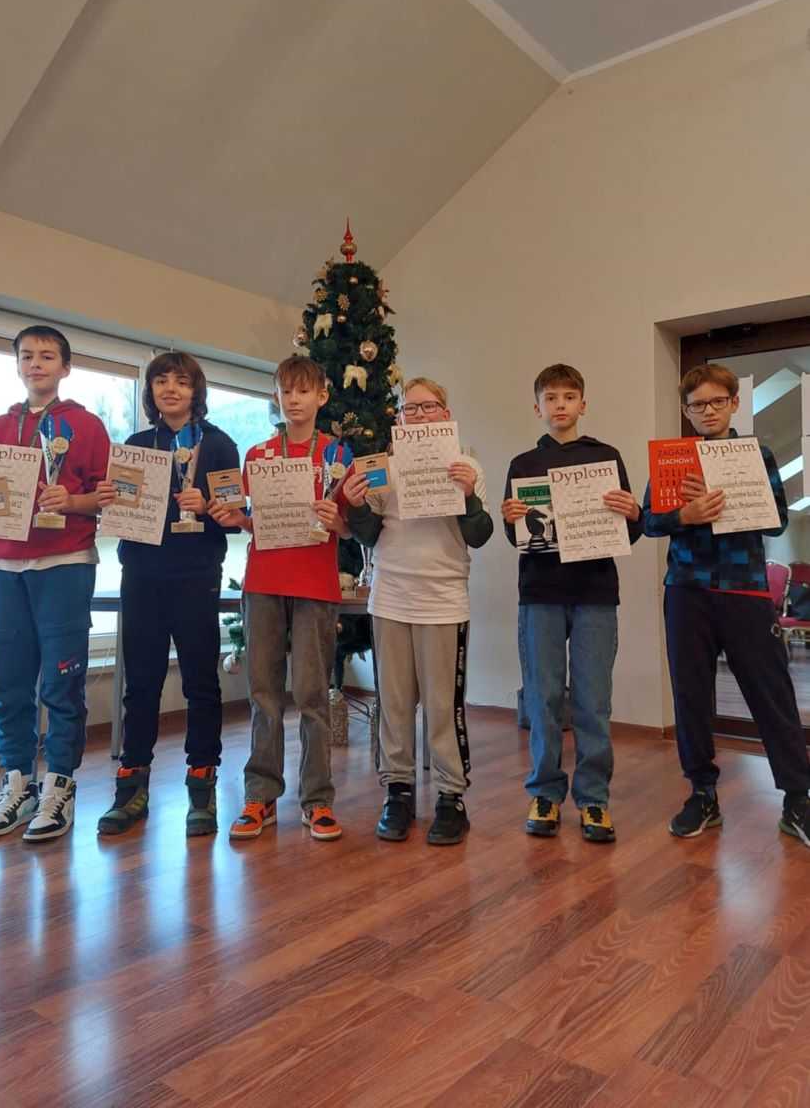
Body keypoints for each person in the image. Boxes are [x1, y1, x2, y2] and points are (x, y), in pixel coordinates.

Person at [0, 325, 110, 841]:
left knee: (62, 680)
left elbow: (112, 497)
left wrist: (73, 500)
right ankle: (18, 783)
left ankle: (59, 784)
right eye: (26, 356)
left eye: (46, 356)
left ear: (66, 367)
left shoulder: (87, 425)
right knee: (5, 678)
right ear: (17, 365)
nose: (35, 364)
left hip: (64, 563)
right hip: (1, 566)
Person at [643, 362, 810, 846]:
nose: (708, 411)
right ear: (686, 410)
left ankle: (797, 799)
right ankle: (702, 794)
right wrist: (685, 515)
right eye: (698, 404)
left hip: (745, 588)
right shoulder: (672, 459)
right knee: (691, 695)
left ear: (735, 403)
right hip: (686, 590)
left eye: (718, 401)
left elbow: (777, 520)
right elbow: (649, 522)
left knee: (771, 693)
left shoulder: (757, 454)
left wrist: (725, 502)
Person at [342, 377, 493, 845]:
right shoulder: (382, 469)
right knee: (394, 702)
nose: (421, 415)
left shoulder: (467, 466)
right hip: (390, 598)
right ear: (400, 418)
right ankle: (398, 791)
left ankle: (451, 796)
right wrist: (355, 507)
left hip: (444, 600)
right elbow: (369, 534)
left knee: (444, 706)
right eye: (411, 408)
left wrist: (468, 495)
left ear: (446, 414)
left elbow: (480, 534)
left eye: (430, 407)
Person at [94, 352, 239, 837]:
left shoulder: (220, 445)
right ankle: (131, 788)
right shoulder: (136, 447)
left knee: (201, 684)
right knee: (141, 684)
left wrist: (210, 505)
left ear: (197, 390)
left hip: (197, 577)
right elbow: (120, 513)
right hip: (141, 576)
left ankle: (202, 786)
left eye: (181, 381)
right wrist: (110, 502)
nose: (170, 389)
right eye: (161, 381)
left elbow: (235, 518)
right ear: (151, 391)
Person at [208, 355, 351, 841]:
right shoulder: (258, 455)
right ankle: (261, 796)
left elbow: (350, 529)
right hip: (264, 583)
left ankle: (317, 800)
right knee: (264, 695)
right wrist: (238, 520)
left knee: (312, 696)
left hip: (315, 586)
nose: (294, 399)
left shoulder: (337, 454)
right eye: (286, 391)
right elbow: (257, 521)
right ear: (276, 397)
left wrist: (338, 521)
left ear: (321, 397)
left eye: (303, 391)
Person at [501, 363, 642, 842]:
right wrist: (510, 518)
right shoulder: (522, 464)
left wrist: (634, 512)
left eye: (568, 397)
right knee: (542, 697)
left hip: (595, 593)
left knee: (592, 699)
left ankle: (594, 798)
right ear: (536, 406)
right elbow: (516, 537)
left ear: (583, 404)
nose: (559, 405)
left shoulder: (606, 457)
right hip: (539, 593)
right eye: (550, 398)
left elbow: (630, 531)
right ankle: (544, 793)